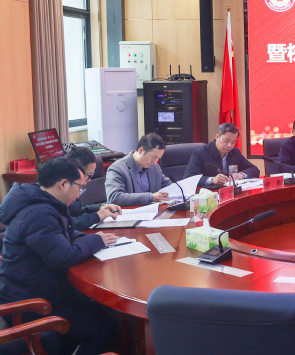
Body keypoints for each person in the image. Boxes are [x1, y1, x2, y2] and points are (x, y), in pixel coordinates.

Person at [0, 157, 119, 355]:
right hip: (32, 304)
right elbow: (63, 256)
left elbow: (64, 234)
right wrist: (96, 240)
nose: (79, 194)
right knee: (106, 327)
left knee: (102, 311)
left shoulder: (43, 202)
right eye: (80, 187)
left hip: (38, 290)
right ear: (63, 184)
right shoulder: (39, 213)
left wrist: (89, 239)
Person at [105, 133, 172, 206]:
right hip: (127, 211)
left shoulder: (154, 167)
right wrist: (150, 197)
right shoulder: (118, 168)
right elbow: (115, 197)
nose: (155, 162)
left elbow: (166, 184)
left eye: (158, 158)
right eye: (154, 157)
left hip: (152, 210)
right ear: (141, 150)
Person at [64, 146, 122, 230]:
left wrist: (99, 208)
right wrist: (96, 217)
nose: (90, 179)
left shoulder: (72, 188)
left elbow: (76, 212)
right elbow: (65, 225)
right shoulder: (60, 194)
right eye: (89, 175)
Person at [184, 123, 260, 186]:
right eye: (226, 141)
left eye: (233, 142)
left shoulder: (235, 152)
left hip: (230, 193)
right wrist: (212, 180)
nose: (229, 145)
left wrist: (241, 175)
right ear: (217, 137)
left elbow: (254, 169)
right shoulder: (200, 153)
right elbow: (189, 178)